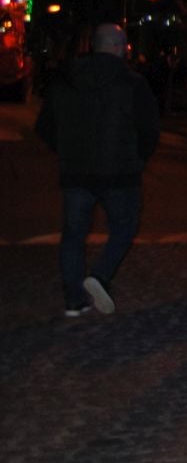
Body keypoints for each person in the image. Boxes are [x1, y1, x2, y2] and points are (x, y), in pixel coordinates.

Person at [35, 23, 159, 317]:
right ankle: (100, 275)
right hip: (120, 173)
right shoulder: (132, 83)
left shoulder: (65, 80)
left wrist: (65, 150)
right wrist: (138, 159)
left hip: (76, 171)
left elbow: (45, 127)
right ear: (119, 47)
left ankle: (73, 301)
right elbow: (149, 130)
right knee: (124, 227)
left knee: (73, 235)